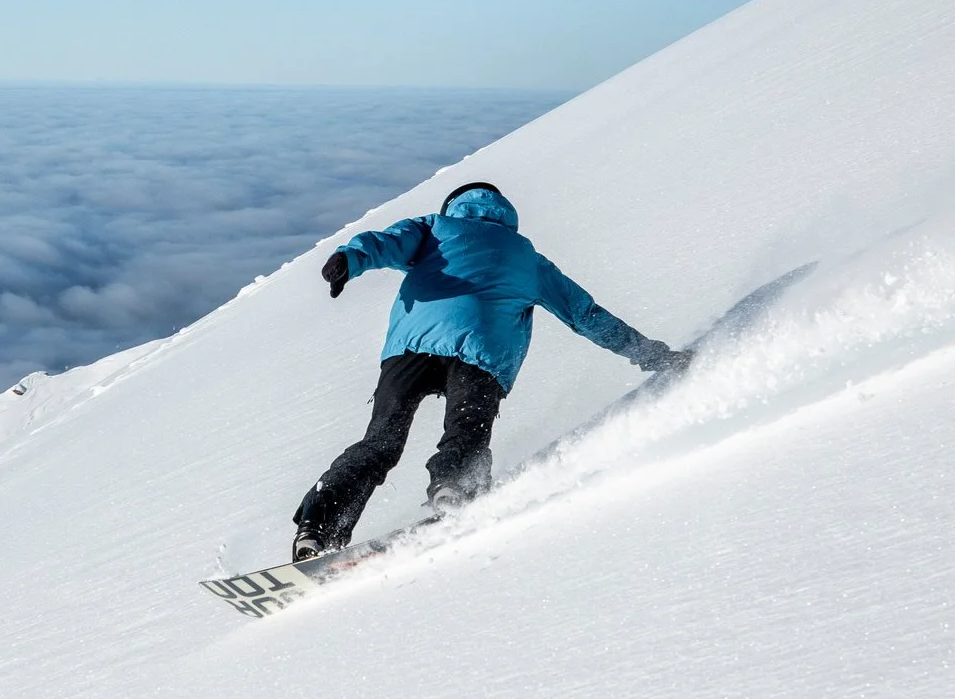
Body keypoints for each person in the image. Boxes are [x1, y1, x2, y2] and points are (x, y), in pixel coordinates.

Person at [291, 180, 687, 562]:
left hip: (411, 351)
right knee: (466, 432)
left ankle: (317, 527)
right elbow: (586, 315)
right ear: (505, 217)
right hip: (483, 355)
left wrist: (348, 259)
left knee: (379, 443)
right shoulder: (529, 260)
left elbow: (386, 243)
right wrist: (653, 355)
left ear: (454, 207)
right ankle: (454, 488)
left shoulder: (436, 226)